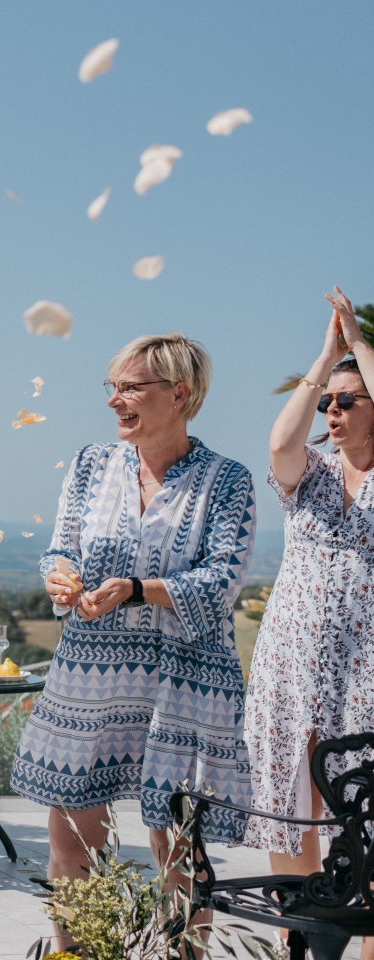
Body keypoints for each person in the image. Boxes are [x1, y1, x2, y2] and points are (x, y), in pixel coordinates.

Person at [10, 334, 255, 949]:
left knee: (173, 840)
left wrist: (139, 589)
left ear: (180, 394)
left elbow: (223, 578)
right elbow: (61, 546)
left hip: (182, 677)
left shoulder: (228, 481)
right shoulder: (91, 464)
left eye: (131, 388)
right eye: (112, 388)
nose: (116, 400)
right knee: (70, 830)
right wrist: (63, 579)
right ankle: (79, 954)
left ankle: (181, 953)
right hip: (90, 669)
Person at [245, 287, 374, 960]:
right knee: (289, 809)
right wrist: (326, 360)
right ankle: (301, 947)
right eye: (329, 402)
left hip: (367, 677)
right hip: (291, 670)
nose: (333, 410)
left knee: (369, 824)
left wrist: (359, 344)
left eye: (347, 400)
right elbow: (279, 439)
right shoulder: (311, 475)